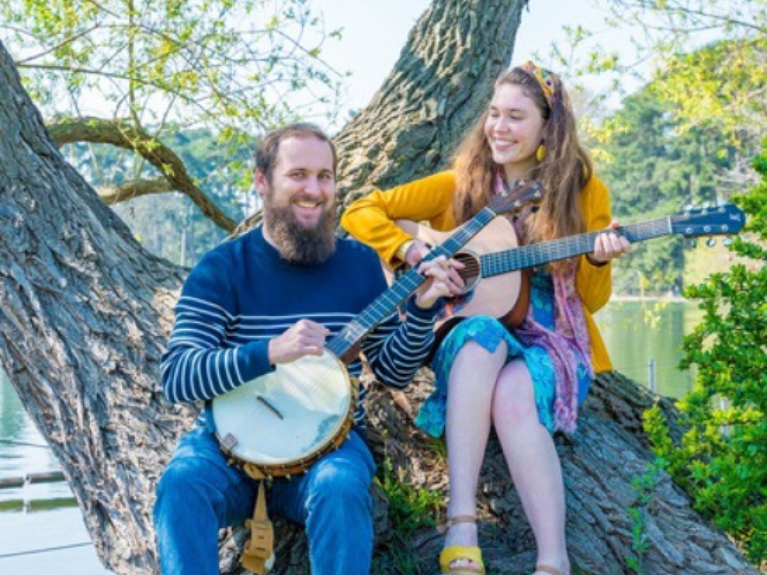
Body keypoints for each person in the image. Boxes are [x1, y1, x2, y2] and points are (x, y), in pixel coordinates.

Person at [341, 62, 631, 575]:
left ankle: (553, 562)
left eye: (516, 117)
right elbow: (361, 209)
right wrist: (409, 251)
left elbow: (591, 300)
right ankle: (462, 529)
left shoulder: (587, 193)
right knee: (481, 334)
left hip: (552, 339)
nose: (499, 126)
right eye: (494, 113)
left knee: (515, 397)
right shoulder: (462, 184)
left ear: (549, 126)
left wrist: (599, 260)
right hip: (472, 325)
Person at [153, 123, 459, 575]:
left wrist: (421, 310)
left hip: (326, 449)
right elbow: (177, 377)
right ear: (262, 180)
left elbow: (393, 371)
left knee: (341, 485)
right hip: (227, 450)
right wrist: (270, 351)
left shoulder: (359, 265)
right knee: (181, 483)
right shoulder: (221, 268)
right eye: (298, 174)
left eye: (325, 176)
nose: (314, 190)